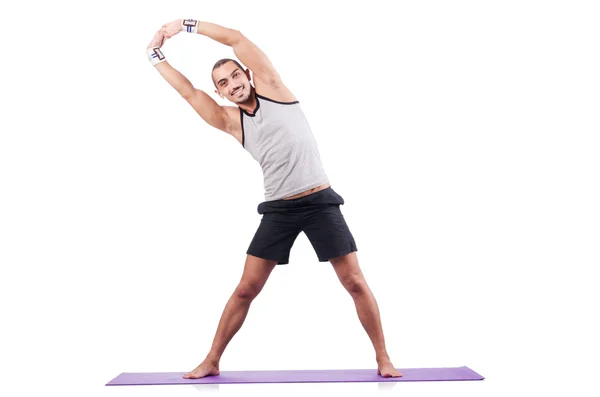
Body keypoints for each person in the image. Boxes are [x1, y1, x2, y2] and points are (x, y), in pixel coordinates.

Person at [145, 19, 402, 379]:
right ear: (219, 93)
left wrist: (185, 26)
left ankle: (384, 359)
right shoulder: (230, 120)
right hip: (279, 209)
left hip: (320, 203)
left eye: (235, 77)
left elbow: (235, 38)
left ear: (247, 75)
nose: (231, 85)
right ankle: (212, 359)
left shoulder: (273, 88)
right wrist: (155, 55)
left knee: (355, 282)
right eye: (222, 84)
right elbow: (188, 92)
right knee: (246, 289)